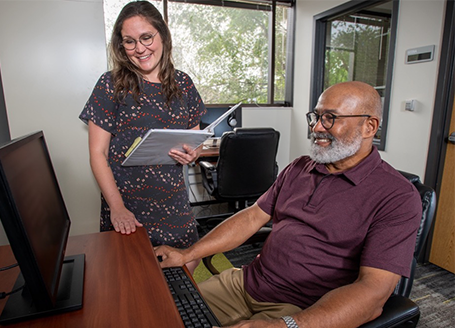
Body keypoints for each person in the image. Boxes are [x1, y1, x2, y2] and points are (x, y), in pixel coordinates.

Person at [155, 81, 423, 328]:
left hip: (301, 309)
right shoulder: (299, 168)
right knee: (159, 312)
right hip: (246, 282)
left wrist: (285, 325)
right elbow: (251, 217)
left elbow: (373, 293)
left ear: (370, 127)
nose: (317, 127)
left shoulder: (397, 197)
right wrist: (188, 254)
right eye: (316, 116)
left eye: (330, 118)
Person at [79, 1, 205, 271]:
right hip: (128, 211)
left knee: (182, 282)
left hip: (174, 207)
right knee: (133, 290)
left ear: (162, 35)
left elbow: (194, 141)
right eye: (129, 41)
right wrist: (117, 208)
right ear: (120, 45)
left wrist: (193, 153)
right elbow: (97, 154)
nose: (140, 48)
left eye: (147, 37)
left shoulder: (184, 84)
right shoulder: (110, 85)